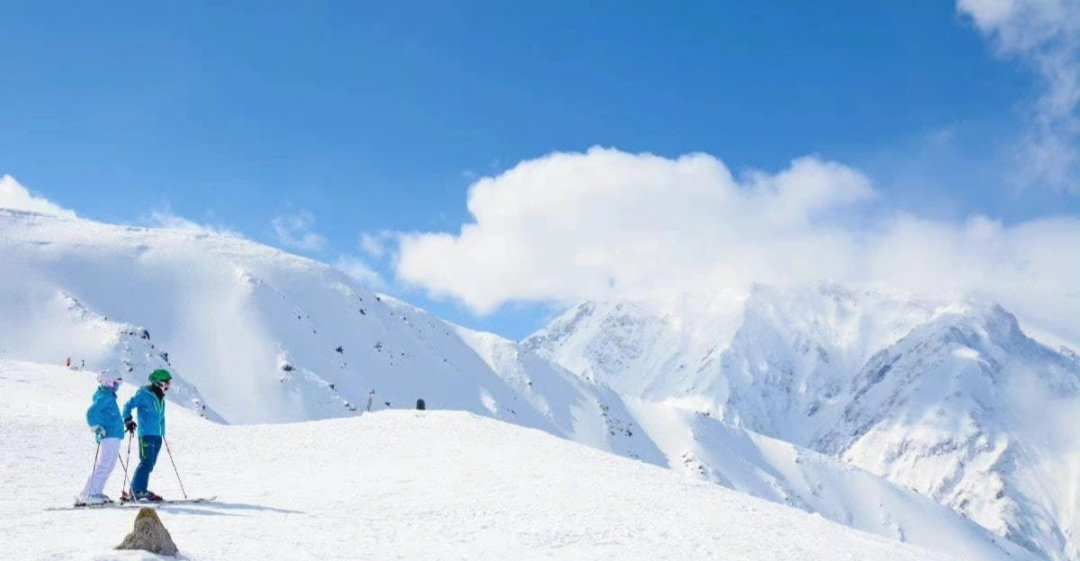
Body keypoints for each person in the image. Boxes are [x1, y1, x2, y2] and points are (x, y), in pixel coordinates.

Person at [121, 369, 172, 502]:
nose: (168, 386)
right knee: (146, 462)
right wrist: (127, 419)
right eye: (166, 383)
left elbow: (161, 416)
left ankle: (138, 489)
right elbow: (127, 405)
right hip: (146, 434)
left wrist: (162, 431)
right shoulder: (143, 394)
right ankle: (137, 491)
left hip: (157, 435)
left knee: (150, 464)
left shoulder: (161, 397)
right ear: (158, 382)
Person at [76, 370, 125, 506]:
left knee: (108, 465)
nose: (117, 386)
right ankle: (89, 493)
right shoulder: (104, 397)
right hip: (109, 435)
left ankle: (95, 492)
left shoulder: (108, 396)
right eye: (115, 383)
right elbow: (91, 413)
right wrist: (97, 428)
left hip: (113, 435)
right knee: (104, 465)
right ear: (107, 382)